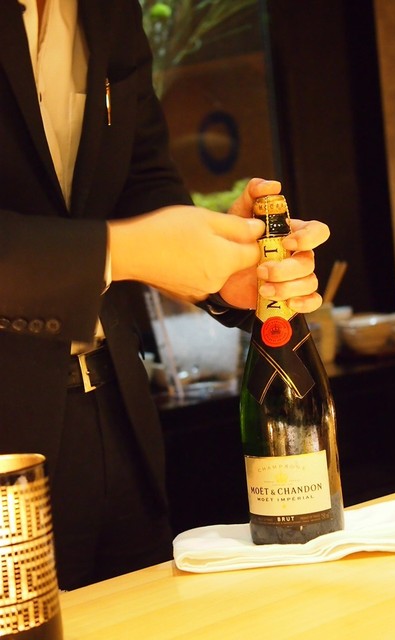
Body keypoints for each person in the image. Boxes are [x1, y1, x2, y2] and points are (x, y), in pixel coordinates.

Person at [0, 0, 330, 590]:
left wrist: (222, 273)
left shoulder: (110, 14)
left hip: (118, 421)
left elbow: (141, 177)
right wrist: (125, 250)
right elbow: (128, 239)